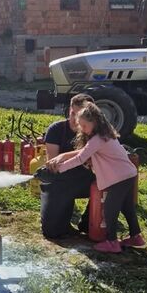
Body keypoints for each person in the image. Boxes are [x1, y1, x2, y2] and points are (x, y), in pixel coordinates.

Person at [47, 102, 145, 254]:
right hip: (128, 174)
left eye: (84, 126)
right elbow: (84, 154)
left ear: (94, 122)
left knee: (110, 209)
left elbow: (80, 158)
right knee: (127, 207)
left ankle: (112, 242)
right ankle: (136, 237)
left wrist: (59, 169)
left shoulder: (97, 139)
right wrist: (63, 159)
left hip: (119, 179)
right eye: (81, 126)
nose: (82, 129)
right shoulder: (105, 134)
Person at [39, 93, 95, 239]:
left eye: (81, 115)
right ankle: (62, 221)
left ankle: (89, 222)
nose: (76, 119)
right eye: (73, 114)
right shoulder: (56, 129)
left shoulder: (96, 133)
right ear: (69, 110)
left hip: (87, 177)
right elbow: (54, 164)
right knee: (51, 231)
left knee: (106, 182)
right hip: (62, 179)